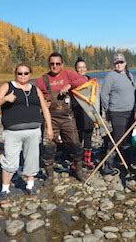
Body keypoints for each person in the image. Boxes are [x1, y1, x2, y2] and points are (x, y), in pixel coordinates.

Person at [0, 63, 53, 204]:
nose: (23, 76)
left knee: (31, 160)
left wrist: (49, 127)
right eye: (20, 73)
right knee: (10, 161)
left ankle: (30, 187)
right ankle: (4, 190)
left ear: (30, 74)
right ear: (15, 73)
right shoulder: (7, 86)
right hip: (13, 132)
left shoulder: (35, 89)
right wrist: (5, 99)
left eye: (26, 73)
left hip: (34, 131)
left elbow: (44, 108)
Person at [35, 52, 87, 182]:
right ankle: (50, 175)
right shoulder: (42, 79)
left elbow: (84, 80)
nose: (55, 66)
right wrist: (42, 103)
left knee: (75, 144)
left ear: (62, 64)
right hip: (50, 118)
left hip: (67, 117)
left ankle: (78, 169)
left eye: (57, 63)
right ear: (48, 64)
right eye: (52, 63)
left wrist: (70, 85)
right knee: (48, 146)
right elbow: (35, 95)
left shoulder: (68, 74)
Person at [100, 53, 135, 175]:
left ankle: (125, 161)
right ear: (114, 64)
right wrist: (107, 110)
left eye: (121, 62)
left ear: (125, 63)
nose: (119, 64)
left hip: (130, 112)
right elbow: (104, 95)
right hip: (117, 112)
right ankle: (107, 164)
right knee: (118, 137)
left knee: (127, 137)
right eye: (117, 63)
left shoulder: (129, 75)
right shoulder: (110, 76)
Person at [73, 57, 95, 168]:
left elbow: (95, 97)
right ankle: (75, 160)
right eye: (79, 68)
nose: (81, 70)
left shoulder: (91, 80)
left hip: (89, 113)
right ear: (76, 69)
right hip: (77, 112)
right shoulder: (73, 82)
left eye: (83, 67)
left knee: (88, 135)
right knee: (77, 137)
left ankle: (87, 159)